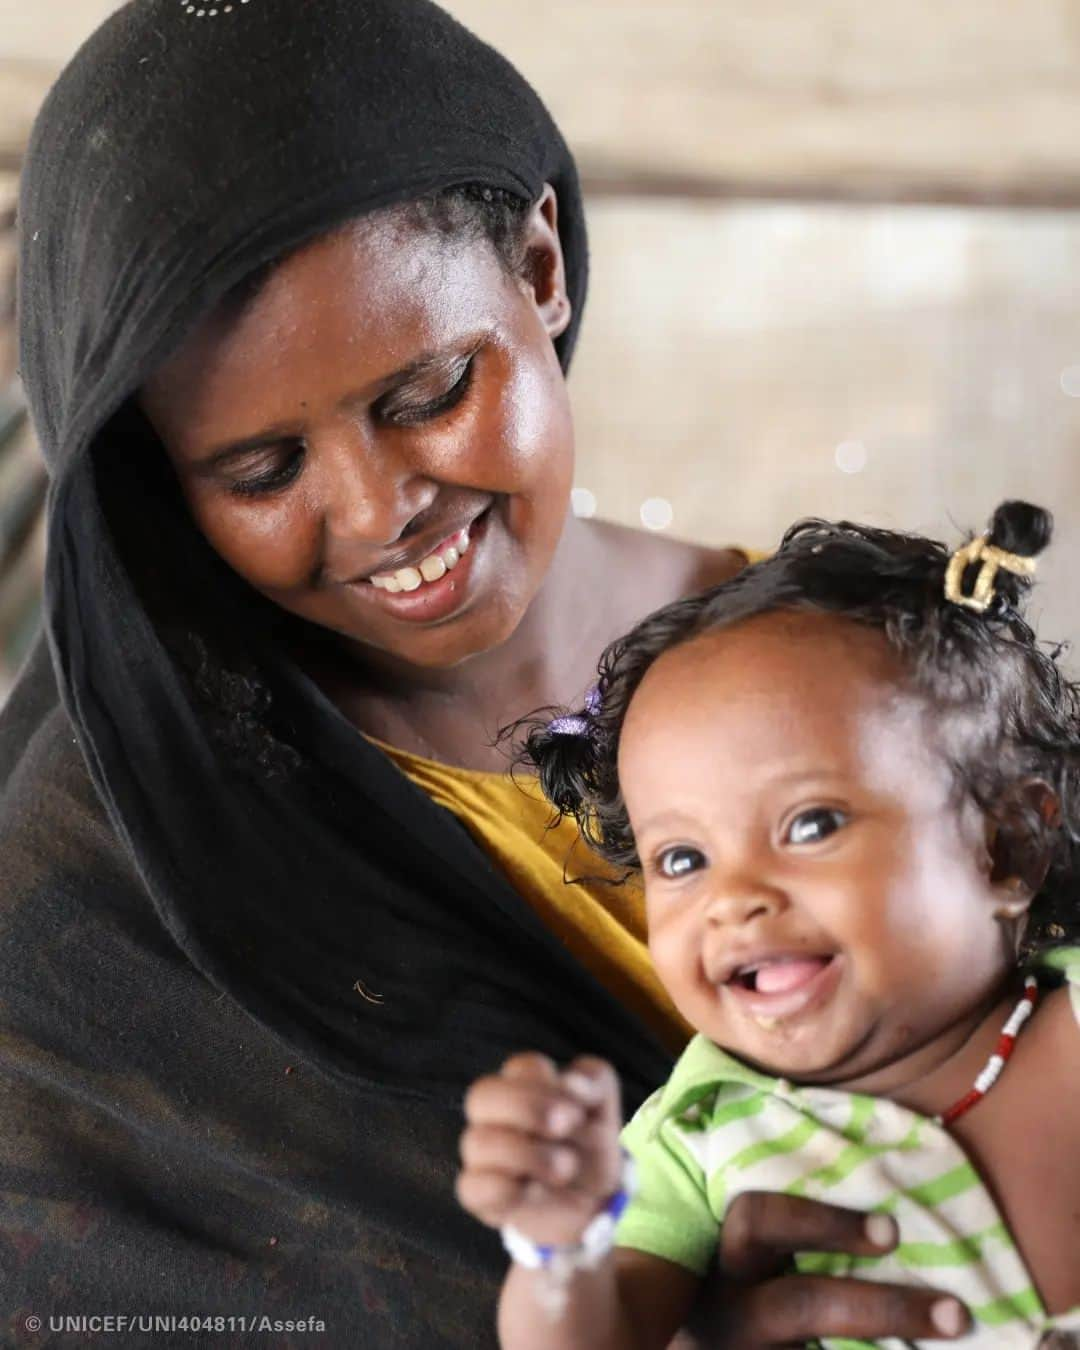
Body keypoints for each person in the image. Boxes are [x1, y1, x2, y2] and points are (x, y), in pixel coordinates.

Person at [0, 0, 986, 1344]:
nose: (378, 507)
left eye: (427, 391)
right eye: (262, 471)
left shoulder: (872, 665)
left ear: (538, 264)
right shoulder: (110, 910)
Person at [458, 501, 1080, 1349]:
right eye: (682, 860)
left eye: (811, 825)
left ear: (1008, 846)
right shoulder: (703, 1131)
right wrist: (563, 1248)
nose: (733, 897)